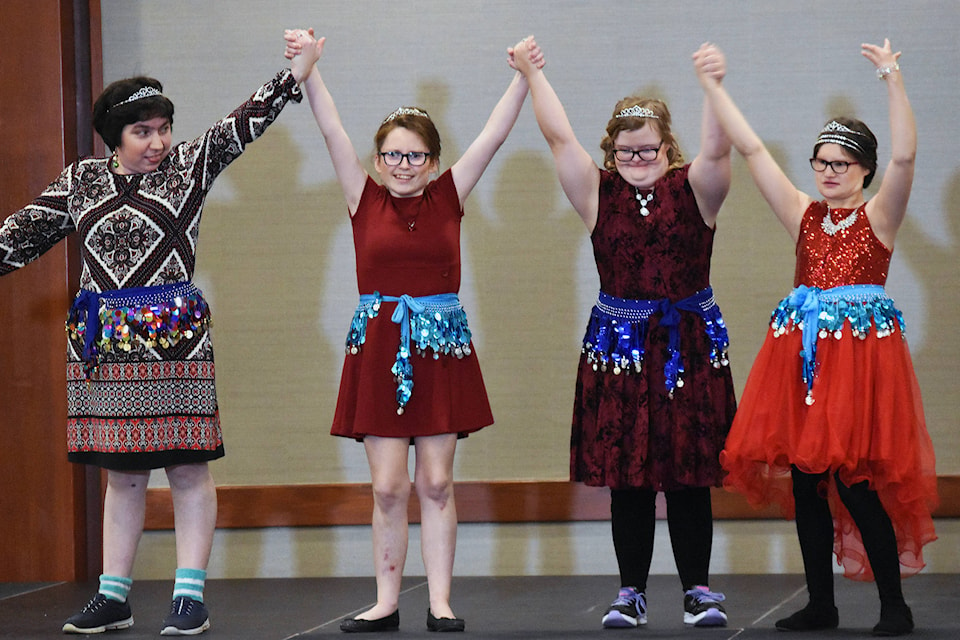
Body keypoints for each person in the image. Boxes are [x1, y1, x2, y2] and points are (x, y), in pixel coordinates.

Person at [0, 38, 319, 635]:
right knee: (120, 475)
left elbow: (237, 126)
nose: (159, 142)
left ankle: (189, 596)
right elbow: (21, 235)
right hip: (104, 349)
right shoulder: (82, 182)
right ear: (113, 138)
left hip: (175, 342)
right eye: (143, 132)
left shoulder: (189, 169)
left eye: (165, 128)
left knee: (188, 468)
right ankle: (114, 595)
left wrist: (292, 74)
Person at [283, 29, 543, 633]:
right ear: (379, 162)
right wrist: (310, 69)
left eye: (416, 156)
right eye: (394, 156)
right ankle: (385, 601)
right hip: (379, 347)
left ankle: (441, 600)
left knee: (436, 479)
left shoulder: (449, 196)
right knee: (390, 487)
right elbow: (331, 131)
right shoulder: (362, 197)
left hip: (438, 347)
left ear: (433, 161)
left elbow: (493, 137)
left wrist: (522, 77)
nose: (404, 166)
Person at [694, 40, 938, 636]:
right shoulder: (803, 214)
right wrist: (713, 88)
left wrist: (891, 76)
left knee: (854, 483)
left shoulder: (878, 216)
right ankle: (821, 605)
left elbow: (905, 158)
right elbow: (751, 150)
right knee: (806, 485)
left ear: (864, 172)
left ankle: (894, 608)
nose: (828, 173)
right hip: (802, 363)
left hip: (857, 365)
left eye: (841, 165)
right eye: (821, 163)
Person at [511, 39, 736, 629]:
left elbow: (720, 145)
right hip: (621, 351)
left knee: (688, 476)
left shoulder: (697, 190)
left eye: (647, 149)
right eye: (624, 150)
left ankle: (699, 590)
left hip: (685, 347)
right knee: (629, 479)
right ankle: (630, 592)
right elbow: (561, 138)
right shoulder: (597, 194)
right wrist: (534, 72)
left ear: (668, 147)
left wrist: (713, 86)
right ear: (612, 151)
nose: (636, 158)